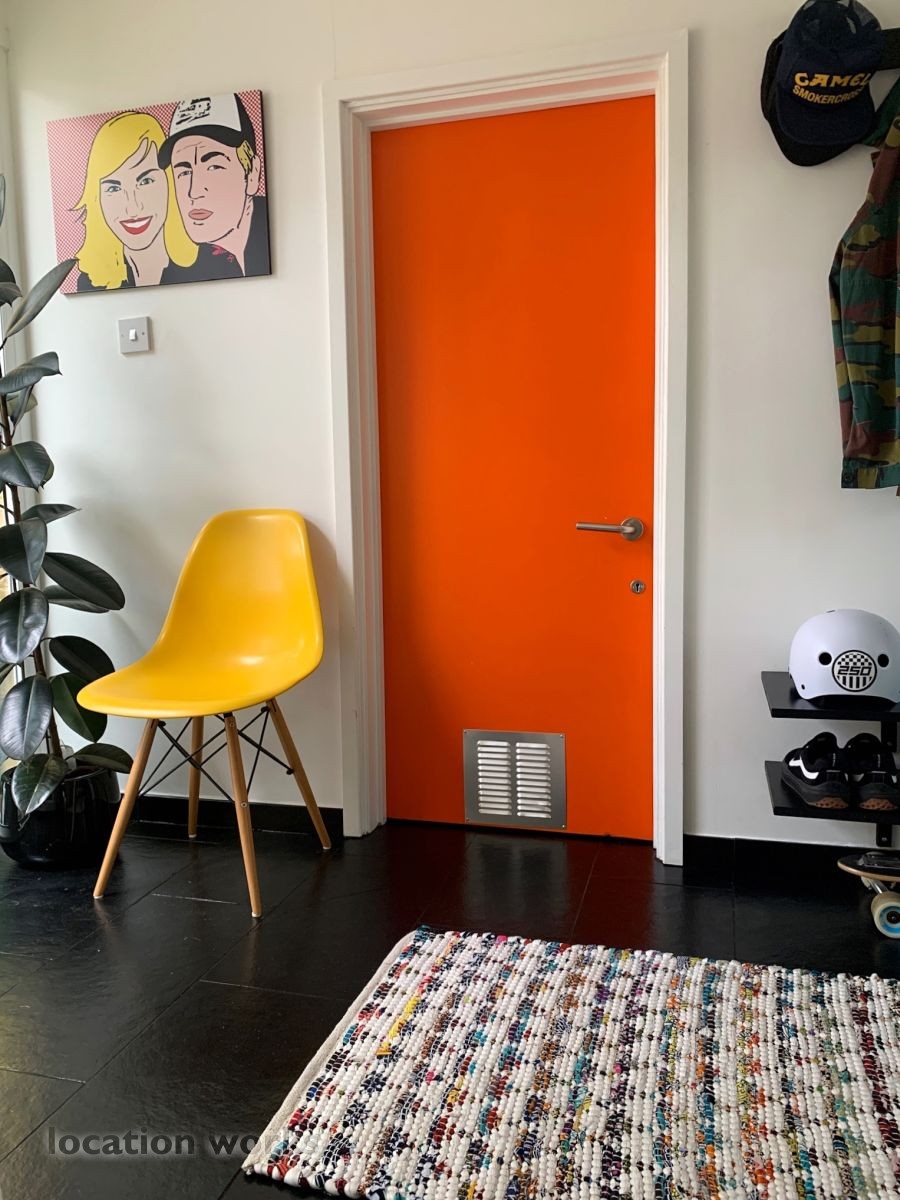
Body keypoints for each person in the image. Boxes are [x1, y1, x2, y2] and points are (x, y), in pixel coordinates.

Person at [74, 112, 198, 290]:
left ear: (169, 182)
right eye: (114, 189)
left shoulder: (209, 261)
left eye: (145, 181)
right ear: (96, 199)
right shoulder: (90, 282)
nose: (132, 208)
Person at [158, 94, 270, 279]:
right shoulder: (178, 271)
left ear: (252, 173)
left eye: (214, 167)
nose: (194, 191)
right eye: (184, 172)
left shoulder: (286, 232)